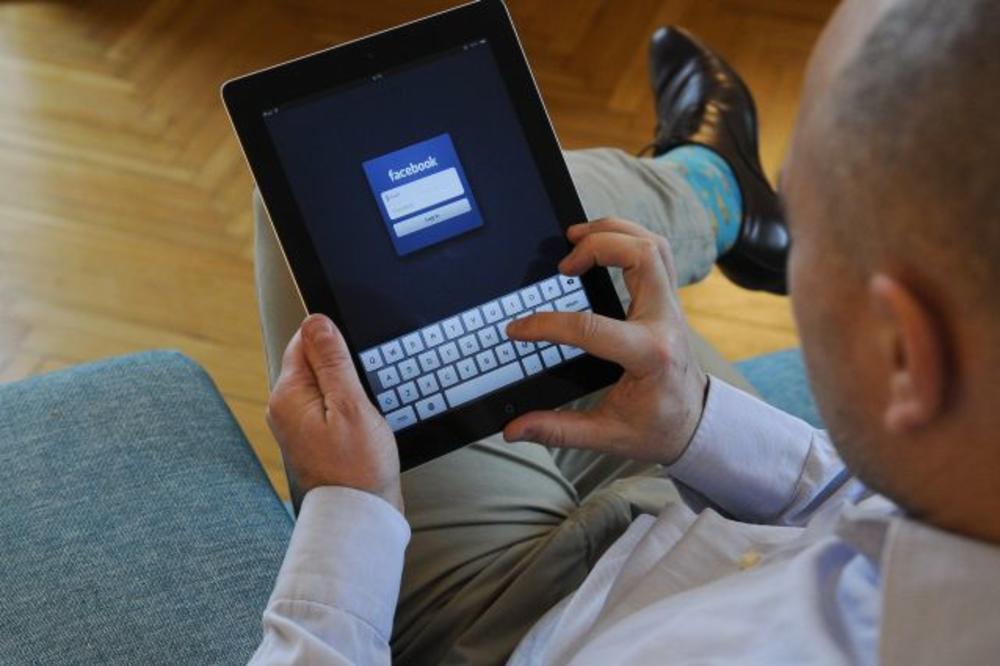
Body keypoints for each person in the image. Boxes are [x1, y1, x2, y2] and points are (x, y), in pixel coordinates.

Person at [250, 0, 1000, 663]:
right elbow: (861, 507)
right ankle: (719, 190)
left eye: (810, 226)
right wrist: (694, 422)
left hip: (503, 624)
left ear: (902, 353)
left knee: (307, 219)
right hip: (698, 506)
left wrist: (347, 505)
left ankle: (711, 187)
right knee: (546, 222)